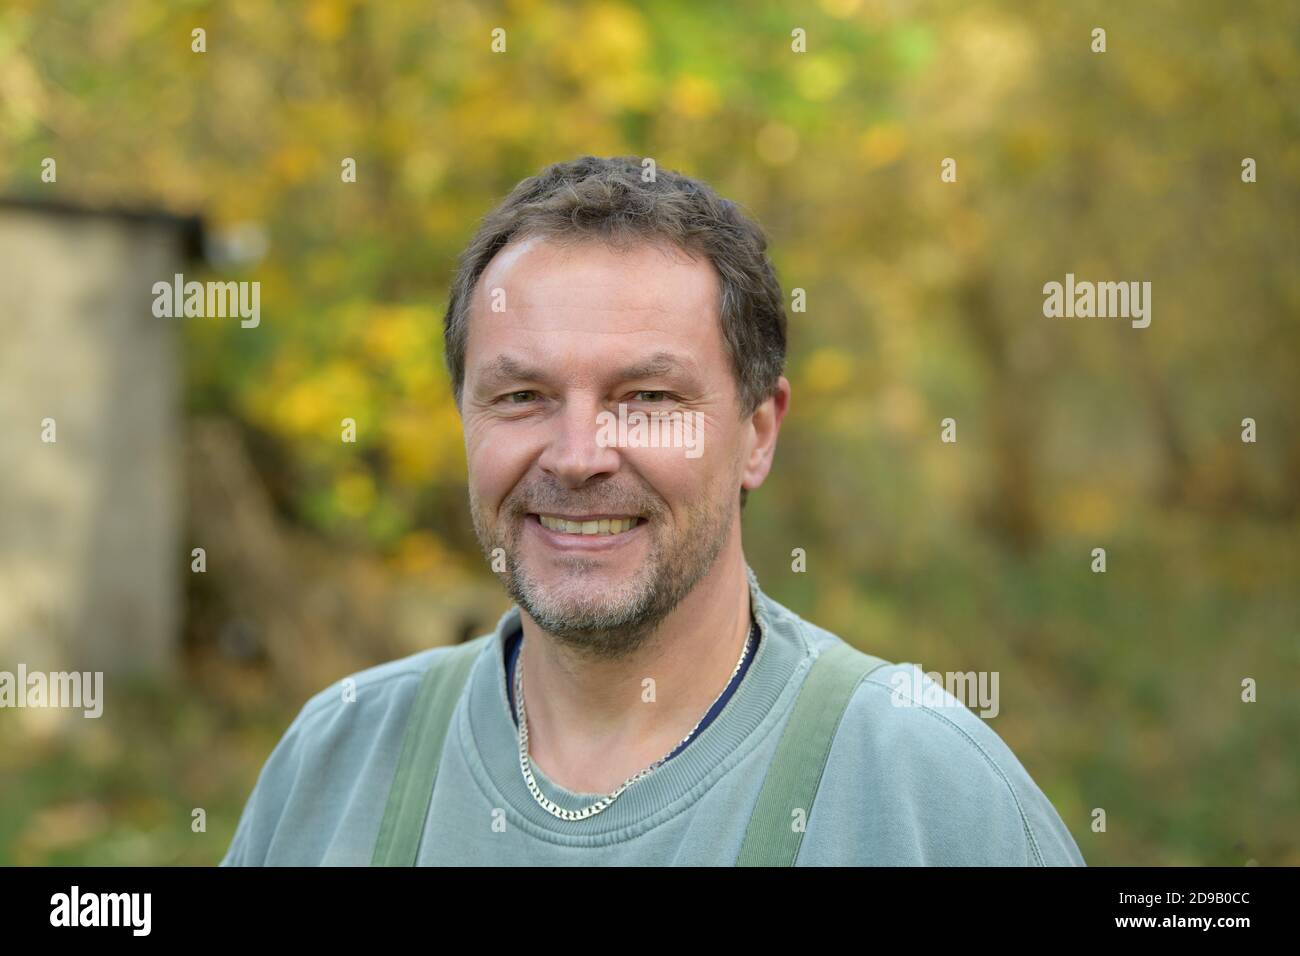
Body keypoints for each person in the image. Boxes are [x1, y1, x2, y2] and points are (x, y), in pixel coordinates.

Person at [221, 156, 1085, 866]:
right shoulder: (332, 763)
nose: (577, 455)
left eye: (646, 396)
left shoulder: (924, 793)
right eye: (521, 395)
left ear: (757, 432)